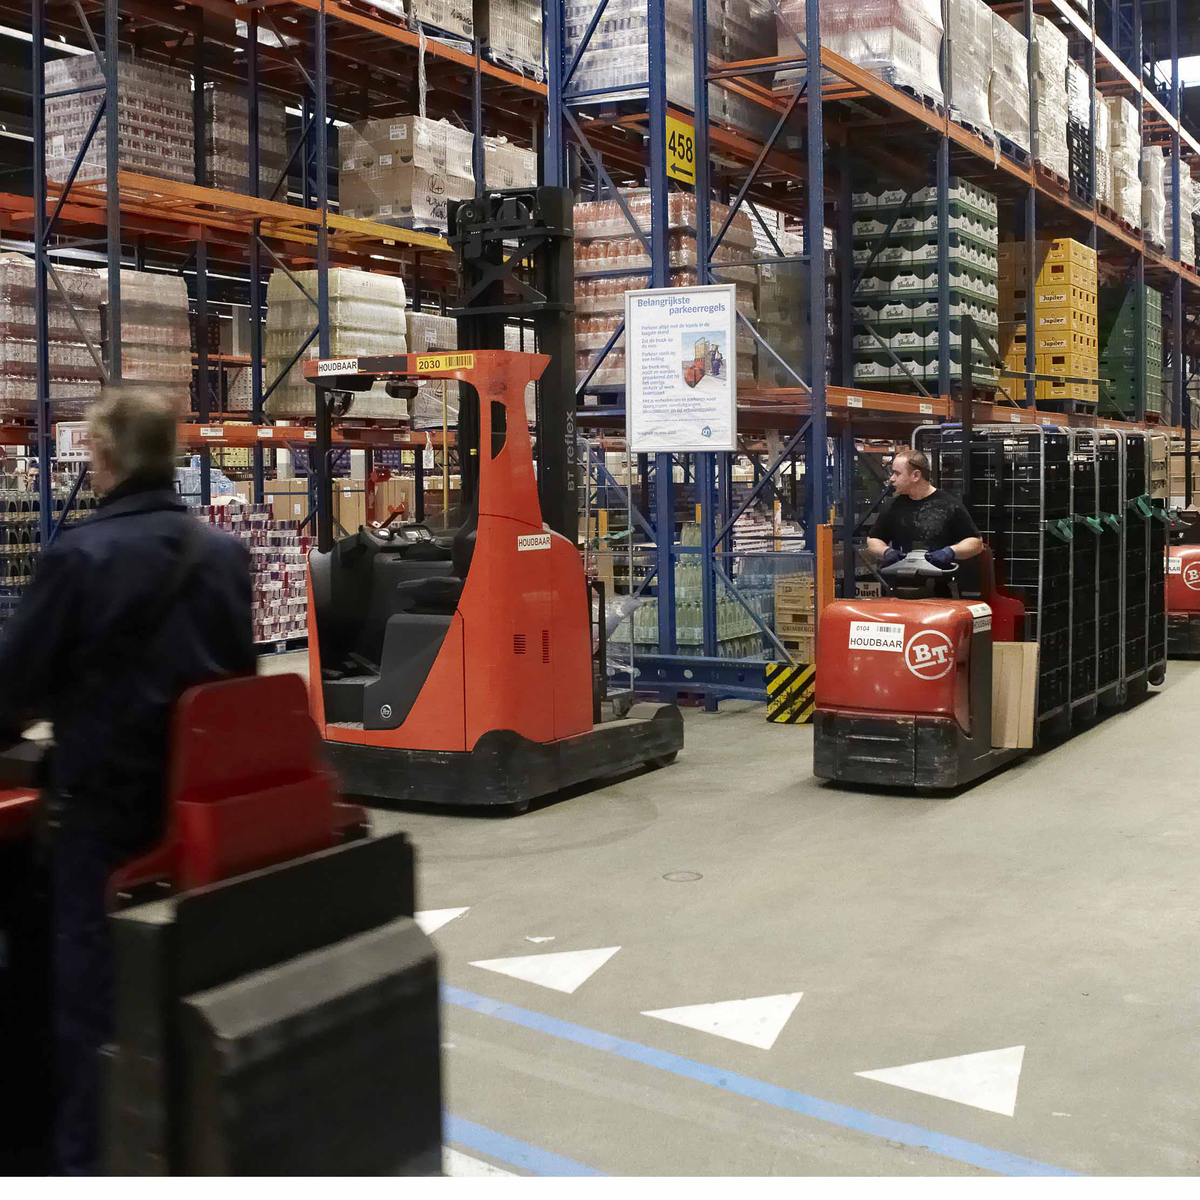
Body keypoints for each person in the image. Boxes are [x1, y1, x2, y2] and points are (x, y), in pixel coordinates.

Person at [0, 386, 255, 1175]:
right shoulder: (223, 556)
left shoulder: (78, 558)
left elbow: (12, 689)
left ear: (105, 457)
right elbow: (238, 686)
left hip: (102, 832)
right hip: (196, 828)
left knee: (88, 1021)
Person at [866, 448, 983, 571]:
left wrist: (950, 552)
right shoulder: (892, 505)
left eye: (897, 473)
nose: (892, 478)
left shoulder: (949, 505)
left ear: (916, 475)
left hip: (939, 579)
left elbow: (976, 543)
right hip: (900, 576)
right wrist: (886, 552)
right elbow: (873, 539)